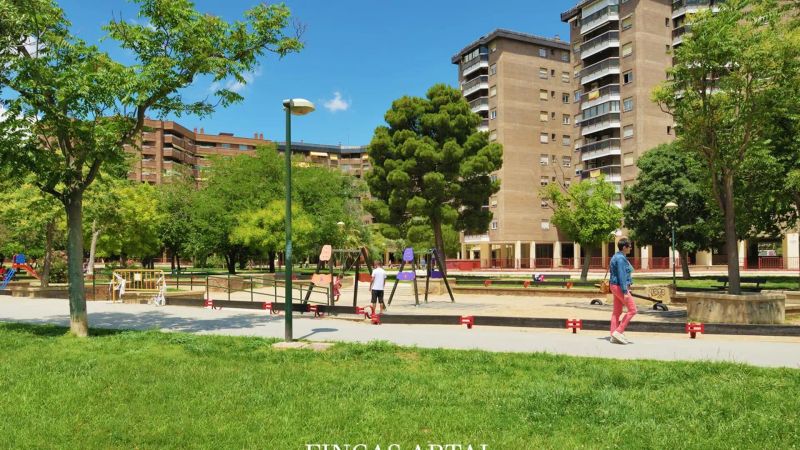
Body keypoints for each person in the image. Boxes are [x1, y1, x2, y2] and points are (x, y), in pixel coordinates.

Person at [609, 237, 636, 344]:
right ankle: (618, 331)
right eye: (630, 246)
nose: (631, 248)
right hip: (619, 287)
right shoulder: (620, 259)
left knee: (617, 312)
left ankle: (613, 335)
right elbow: (622, 275)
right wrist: (625, 291)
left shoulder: (616, 256)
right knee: (633, 310)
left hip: (614, 286)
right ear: (624, 247)